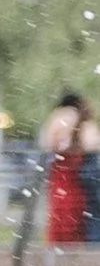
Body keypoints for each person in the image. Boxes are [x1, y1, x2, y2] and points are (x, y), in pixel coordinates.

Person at [39, 96, 87, 247]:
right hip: (70, 170)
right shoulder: (72, 115)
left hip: (59, 170)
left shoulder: (56, 116)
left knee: (60, 209)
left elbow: (48, 143)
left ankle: (57, 244)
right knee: (71, 209)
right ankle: (70, 244)